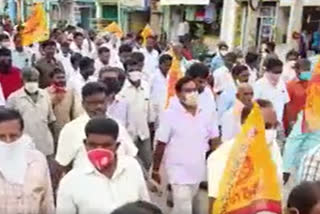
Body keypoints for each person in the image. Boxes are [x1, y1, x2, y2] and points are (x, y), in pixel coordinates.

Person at [152, 77, 218, 214]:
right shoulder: (170, 114)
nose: (192, 93)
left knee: (182, 207)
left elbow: (214, 138)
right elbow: (161, 143)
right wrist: (155, 169)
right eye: (187, 90)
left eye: (194, 90)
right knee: (184, 208)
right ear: (178, 93)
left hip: (197, 169)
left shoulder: (206, 112)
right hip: (177, 170)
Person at [56, 117, 149, 214]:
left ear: (116, 146)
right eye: (93, 145)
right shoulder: (70, 182)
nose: (99, 150)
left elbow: (146, 207)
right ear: (85, 144)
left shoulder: (132, 167)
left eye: (106, 145)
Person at [208, 99, 283, 214]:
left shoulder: (273, 148)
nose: (271, 132)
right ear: (245, 123)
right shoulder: (223, 155)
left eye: (275, 126)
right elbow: (215, 201)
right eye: (266, 126)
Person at [55, 82, 137, 172]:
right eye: (92, 103)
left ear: (107, 101)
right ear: (83, 104)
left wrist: (147, 180)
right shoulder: (71, 129)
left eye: (102, 102)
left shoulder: (117, 125)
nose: (98, 107)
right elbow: (62, 164)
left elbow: (132, 155)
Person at [0, 108, 54, 214]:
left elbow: (47, 201)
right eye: (1, 137)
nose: (8, 141)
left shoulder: (37, 160)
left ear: (21, 133)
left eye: (13, 136)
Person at [7, 67, 56, 156]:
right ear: (23, 81)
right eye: (29, 80)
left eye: (35, 80)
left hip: (45, 145)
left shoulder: (45, 95)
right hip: (23, 147)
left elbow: (50, 120)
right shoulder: (14, 98)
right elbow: (8, 125)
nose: (32, 83)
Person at [118, 58, 154, 174]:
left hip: (144, 131)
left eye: (137, 69)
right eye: (131, 70)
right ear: (126, 72)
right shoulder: (122, 89)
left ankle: (144, 183)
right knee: (130, 162)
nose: (135, 72)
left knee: (147, 161)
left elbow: (149, 107)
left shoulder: (146, 86)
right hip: (128, 132)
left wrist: (151, 123)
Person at [46, 67, 82, 142]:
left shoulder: (70, 92)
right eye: (58, 78)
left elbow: (76, 112)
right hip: (50, 131)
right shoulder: (45, 93)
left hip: (67, 129)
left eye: (63, 77)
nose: (61, 80)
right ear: (51, 79)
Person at [254, 57, 289, 123]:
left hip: (279, 123)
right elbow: (254, 106)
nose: (278, 75)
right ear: (268, 70)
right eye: (275, 72)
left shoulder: (281, 83)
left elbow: (285, 103)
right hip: (263, 124)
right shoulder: (259, 85)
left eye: (280, 72)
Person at [283, 59, 311, 136]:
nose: (307, 72)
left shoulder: (312, 85)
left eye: (308, 69)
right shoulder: (290, 86)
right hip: (293, 123)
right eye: (304, 69)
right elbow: (287, 106)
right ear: (297, 71)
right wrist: (290, 122)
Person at [213, 52, 238, 122]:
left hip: (232, 101)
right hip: (221, 100)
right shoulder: (218, 72)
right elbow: (215, 88)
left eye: (232, 60)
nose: (229, 62)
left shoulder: (234, 72)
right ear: (224, 60)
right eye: (228, 60)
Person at [150, 54, 172, 127]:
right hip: (155, 108)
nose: (168, 67)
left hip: (167, 107)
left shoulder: (170, 77)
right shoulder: (153, 77)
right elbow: (148, 93)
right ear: (160, 64)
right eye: (166, 65)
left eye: (169, 65)